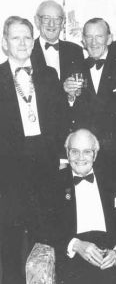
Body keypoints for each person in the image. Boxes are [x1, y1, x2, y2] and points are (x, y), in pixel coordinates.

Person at [0, 16, 67, 284]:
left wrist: (61, 159)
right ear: (5, 43)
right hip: (10, 168)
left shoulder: (48, 74)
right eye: (16, 37)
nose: (23, 42)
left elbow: (61, 120)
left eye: (27, 36)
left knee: (47, 234)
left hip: (46, 163)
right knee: (11, 237)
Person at [44, 129, 116, 284]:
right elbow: (44, 226)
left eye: (87, 152)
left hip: (110, 253)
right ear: (67, 154)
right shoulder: (53, 184)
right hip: (74, 257)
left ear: (95, 155)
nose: (80, 158)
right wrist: (75, 244)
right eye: (74, 152)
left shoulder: (113, 181)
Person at [63, 18, 116, 181]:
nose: (94, 42)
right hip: (86, 154)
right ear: (83, 40)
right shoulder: (74, 67)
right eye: (89, 37)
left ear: (109, 38)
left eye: (99, 36)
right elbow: (66, 113)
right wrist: (69, 96)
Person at [32, 0, 85, 84]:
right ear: (37, 21)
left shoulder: (75, 50)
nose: (51, 24)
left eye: (57, 19)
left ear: (63, 23)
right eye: (46, 18)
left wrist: (72, 94)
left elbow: (82, 89)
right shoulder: (27, 50)